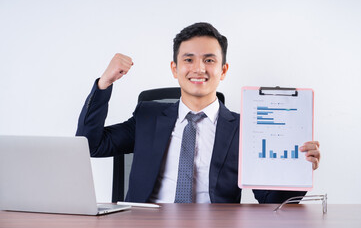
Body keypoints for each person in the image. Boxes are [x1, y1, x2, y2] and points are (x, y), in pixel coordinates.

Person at [76, 22, 320, 203]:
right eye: (189, 59)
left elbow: (270, 201)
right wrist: (103, 84)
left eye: (209, 60)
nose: (199, 68)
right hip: (147, 221)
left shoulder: (245, 130)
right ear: (175, 68)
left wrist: (296, 170)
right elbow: (90, 145)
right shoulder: (147, 117)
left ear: (223, 70)